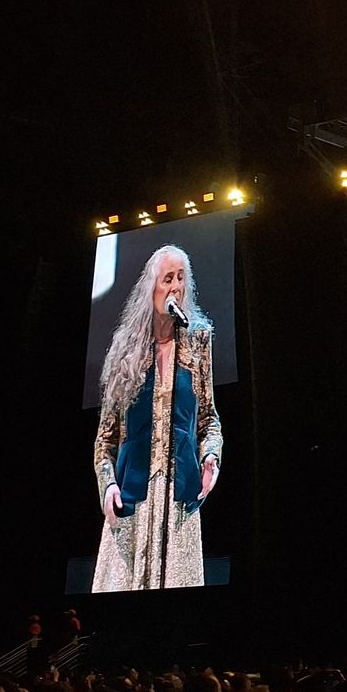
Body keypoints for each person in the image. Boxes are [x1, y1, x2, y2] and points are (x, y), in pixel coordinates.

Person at [93, 244, 223, 591]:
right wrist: (107, 487)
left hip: (179, 499)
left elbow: (209, 419)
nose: (176, 287)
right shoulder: (124, 348)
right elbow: (105, 438)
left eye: (181, 278)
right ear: (151, 286)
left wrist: (211, 457)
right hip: (133, 499)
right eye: (168, 279)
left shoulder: (197, 340)